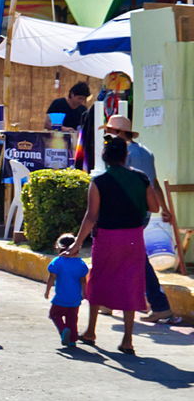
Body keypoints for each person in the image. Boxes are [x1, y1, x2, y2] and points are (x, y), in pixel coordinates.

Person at [63, 136, 163, 355]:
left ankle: (90, 331)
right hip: (133, 237)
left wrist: (77, 244)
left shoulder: (99, 182)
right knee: (131, 283)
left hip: (107, 238)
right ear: (125, 156)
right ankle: (128, 339)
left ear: (105, 157)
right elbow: (154, 207)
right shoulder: (141, 178)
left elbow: (91, 216)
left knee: (99, 281)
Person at [103, 114, 176, 324]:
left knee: (131, 256)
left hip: (127, 212)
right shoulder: (146, 151)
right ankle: (112, 300)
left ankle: (159, 305)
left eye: (109, 131)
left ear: (118, 133)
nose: (107, 136)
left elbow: (120, 183)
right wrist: (164, 208)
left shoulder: (122, 153)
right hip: (143, 211)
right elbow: (152, 183)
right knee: (128, 255)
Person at [45, 233, 89, 347]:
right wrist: (84, 293)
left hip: (61, 298)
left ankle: (63, 330)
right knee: (72, 319)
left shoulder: (57, 262)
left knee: (54, 314)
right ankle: (73, 340)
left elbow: (51, 278)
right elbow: (83, 281)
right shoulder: (81, 264)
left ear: (59, 247)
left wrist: (47, 291)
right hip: (75, 299)